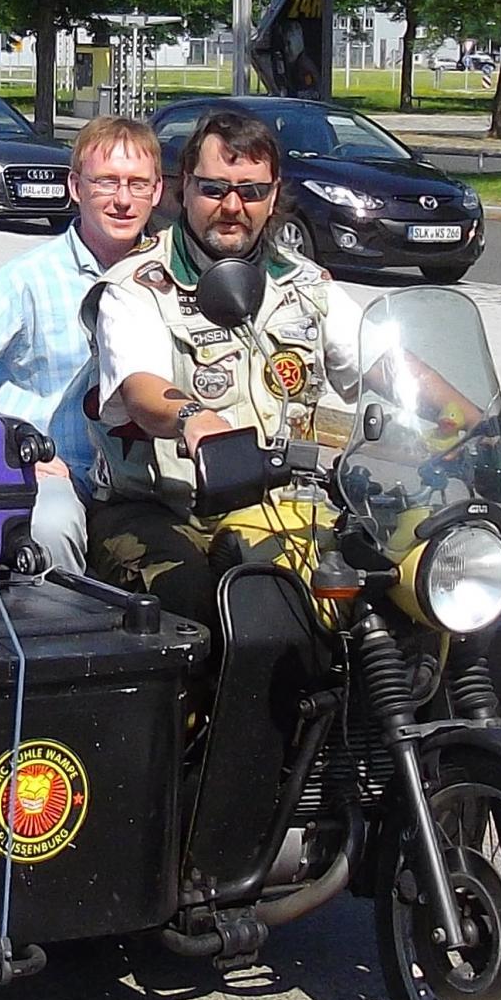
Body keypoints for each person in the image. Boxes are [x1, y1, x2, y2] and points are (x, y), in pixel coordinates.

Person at [78, 110, 368, 633]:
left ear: (273, 197)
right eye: (214, 189)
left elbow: (385, 367)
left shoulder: (308, 288)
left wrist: (457, 417)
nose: (233, 206)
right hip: (163, 509)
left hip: (288, 506)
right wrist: (193, 418)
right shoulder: (137, 287)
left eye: (251, 192)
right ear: (184, 187)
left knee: (388, 577)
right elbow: (142, 388)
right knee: (190, 602)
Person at [0, 116, 164, 576]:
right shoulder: (24, 281)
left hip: (148, 480)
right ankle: (62, 620)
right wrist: (8, 449)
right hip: (59, 476)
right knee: (50, 525)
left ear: (157, 191)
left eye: (137, 184)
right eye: (106, 182)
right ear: (75, 187)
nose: (123, 199)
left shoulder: (171, 276)